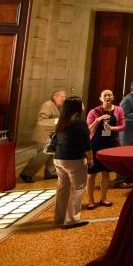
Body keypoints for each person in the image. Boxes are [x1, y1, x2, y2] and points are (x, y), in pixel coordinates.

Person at [52, 96, 92, 229]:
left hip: (59, 158)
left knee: (62, 188)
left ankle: (59, 218)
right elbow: (86, 144)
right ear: (78, 107)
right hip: (74, 159)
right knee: (78, 188)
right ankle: (72, 220)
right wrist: (91, 159)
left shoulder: (62, 121)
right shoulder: (79, 122)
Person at [85, 90, 124, 209]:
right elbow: (89, 130)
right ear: (101, 98)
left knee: (106, 173)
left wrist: (112, 128)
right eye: (105, 95)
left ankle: (103, 198)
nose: (108, 97)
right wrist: (98, 119)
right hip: (96, 145)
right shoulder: (94, 111)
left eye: (110, 95)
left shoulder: (118, 110)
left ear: (113, 97)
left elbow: (123, 126)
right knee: (92, 174)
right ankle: (91, 200)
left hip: (110, 144)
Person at [20, 90, 64, 183]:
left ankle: (50, 173)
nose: (63, 98)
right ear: (54, 96)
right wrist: (58, 121)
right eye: (61, 96)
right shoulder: (48, 105)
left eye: (64, 97)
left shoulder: (58, 107)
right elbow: (42, 121)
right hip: (44, 135)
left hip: (52, 136)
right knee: (42, 155)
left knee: (52, 154)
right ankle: (26, 173)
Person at [113, 79, 133, 188]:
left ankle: (129, 179)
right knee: (125, 158)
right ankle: (119, 181)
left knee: (132, 158)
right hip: (127, 134)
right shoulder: (127, 99)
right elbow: (122, 116)